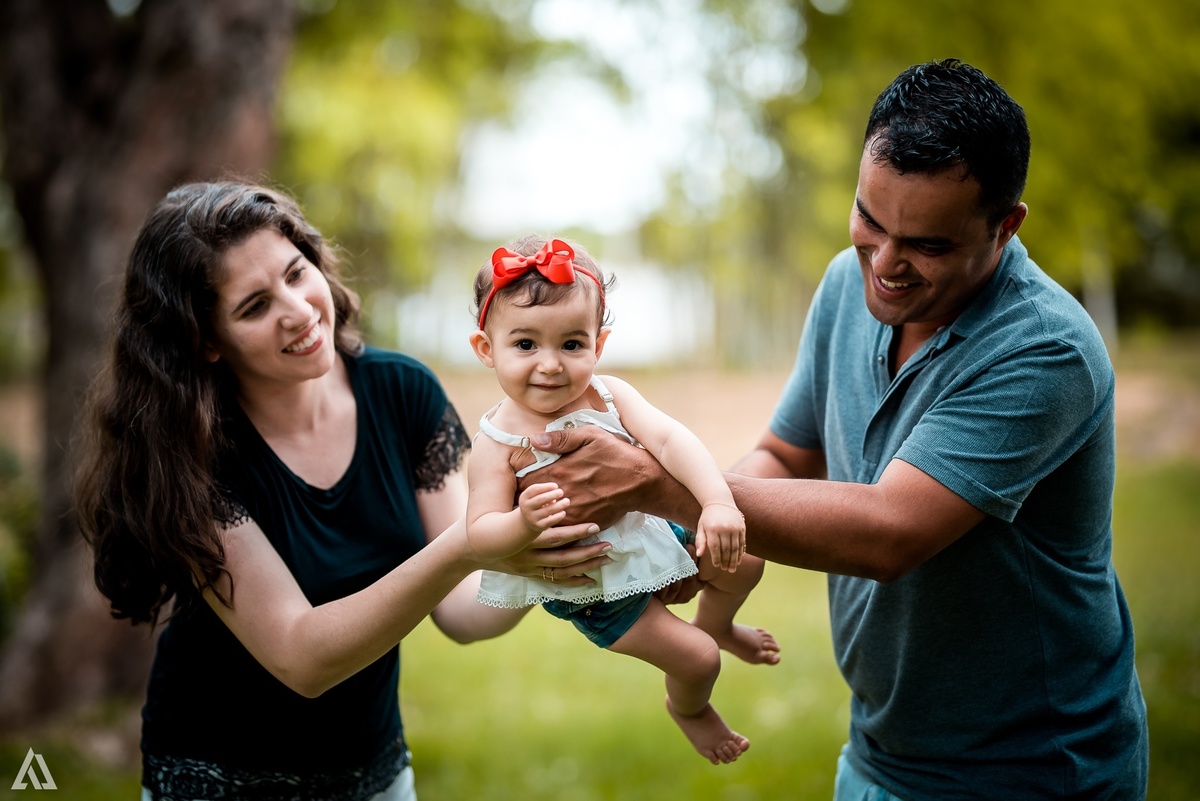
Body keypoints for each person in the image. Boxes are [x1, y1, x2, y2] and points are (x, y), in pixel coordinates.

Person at [515, 60, 1149, 799]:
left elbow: (889, 534)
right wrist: (685, 546)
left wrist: (663, 488)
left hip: (1034, 770)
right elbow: (786, 452)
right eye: (869, 221)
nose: (885, 264)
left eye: (927, 245)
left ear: (1004, 225)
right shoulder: (849, 287)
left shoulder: (1043, 348)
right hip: (879, 752)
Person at [73, 182, 611, 801]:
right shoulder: (191, 454)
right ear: (206, 341)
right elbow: (302, 658)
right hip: (221, 780)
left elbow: (464, 609)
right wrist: (473, 543)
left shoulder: (402, 393)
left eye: (296, 274)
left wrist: (546, 549)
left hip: (375, 773)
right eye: (254, 306)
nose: (299, 310)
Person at [464, 235, 780, 764]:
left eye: (571, 344)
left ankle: (719, 623)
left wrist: (717, 502)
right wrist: (522, 522)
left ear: (598, 345)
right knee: (699, 661)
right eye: (525, 345)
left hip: (647, 528)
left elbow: (670, 440)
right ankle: (690, 709)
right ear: (485, 349)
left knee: (746, 562)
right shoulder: (496, 444)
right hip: (593, 584)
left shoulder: (610, 394)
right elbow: (480, 534)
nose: (550, 365)